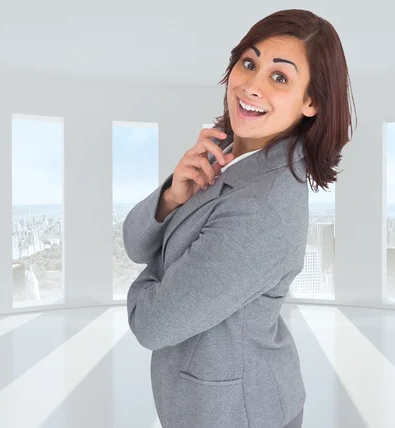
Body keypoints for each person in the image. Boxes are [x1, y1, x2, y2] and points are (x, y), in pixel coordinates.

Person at [123, 8, 355, 428]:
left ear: (311, 102)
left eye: (279, 77)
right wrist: (172, 196)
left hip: (239, 414)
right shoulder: (227, 154)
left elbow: (150, 324)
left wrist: (157, 269)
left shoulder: (261, 207)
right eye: (249, 63)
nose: (251, 85)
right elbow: (134, 243)